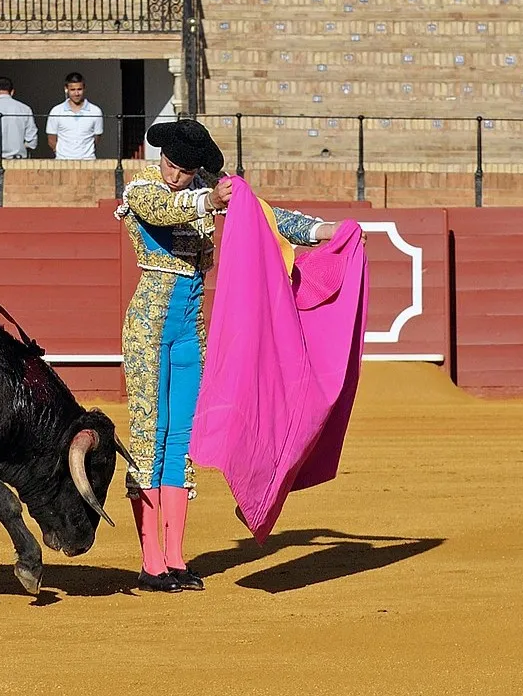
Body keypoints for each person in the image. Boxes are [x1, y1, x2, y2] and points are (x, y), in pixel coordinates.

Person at [116, 119, 352, 593]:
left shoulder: (206, 187)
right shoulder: (143, 187)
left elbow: (266, 218)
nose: (174, 174)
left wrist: (326, 232)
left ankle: (176, 559)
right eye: (170, 164)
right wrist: (208, 199)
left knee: (181, 441)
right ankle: (150, 562)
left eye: (184, 169)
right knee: (148, 438)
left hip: (190, 334)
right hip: (148, 330)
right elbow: (165, 208)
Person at [46, 72, 103, 160]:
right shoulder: (56, 111)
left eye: (79, 89)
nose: (76, 93)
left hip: (88, 161)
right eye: (72, 90)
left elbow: (96, 138)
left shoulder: (95, 111)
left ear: (84, 89)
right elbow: (51, 140)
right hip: (62, 161)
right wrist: (62, 153)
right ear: (66, 89)